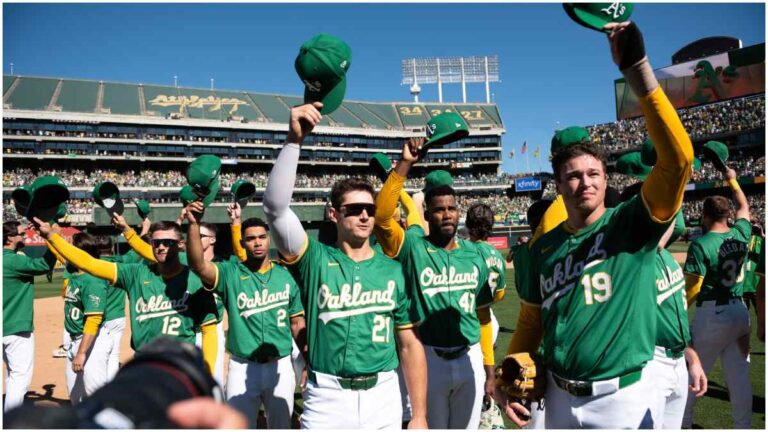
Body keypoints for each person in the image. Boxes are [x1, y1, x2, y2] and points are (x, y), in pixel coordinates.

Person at [500, 21, 694, 428]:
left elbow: (677, 163)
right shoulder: (542, 247)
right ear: (558, 184)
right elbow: (533, 321)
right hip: (555, 397)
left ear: (606, 179)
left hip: (621, 396)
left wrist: (639, 72)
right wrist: (505, 376)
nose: (583, 182)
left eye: (592, 173)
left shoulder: (631, 226)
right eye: (572, 175)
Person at [263, 101, 428, 429]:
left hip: (384, 394)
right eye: (353, 209)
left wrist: (420, 415)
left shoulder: (393, 270)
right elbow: (276, 209)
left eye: (369, 207)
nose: (365, 214)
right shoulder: (315, 259)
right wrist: (294, 141)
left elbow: (410, 345)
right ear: (333, 214)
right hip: (327, 397)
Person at [375, 151, 497, 428]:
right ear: (427, 214)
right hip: (428, 358)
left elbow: (483, 315)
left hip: (470, 355)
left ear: (459, 212)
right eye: (439, 209)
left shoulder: (474, 255)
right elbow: (382, 217)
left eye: (451, 208)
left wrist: (490, 371)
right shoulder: (412, 247)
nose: (447, 214)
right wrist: (405, 165)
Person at [35, 218, 220, 374]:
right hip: (143, 363)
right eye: (157, 243)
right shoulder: (135, 273)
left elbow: (209, 329)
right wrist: (52, 237)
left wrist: (208, 372)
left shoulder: (195, 280)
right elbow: (89, 263)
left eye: (168, 242)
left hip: (180, 364)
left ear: (180, 245)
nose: (162, 247)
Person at [185, 202, 306, 429]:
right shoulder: (230, 274)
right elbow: (199, 266)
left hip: (279, 365)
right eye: (251, 239)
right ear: (242, 243)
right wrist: (193, 224)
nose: (257, 242)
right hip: (242, 366)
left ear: (269, 239)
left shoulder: (285, 276)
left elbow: (297, 322)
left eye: (262, 237)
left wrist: (307, 361)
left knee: (281, 426)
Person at [682, 168, 753, 429]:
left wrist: (678, 313)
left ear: (705, 215)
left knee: (692, 373)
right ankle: (743, 426)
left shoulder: (702, 245)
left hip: (713, 314)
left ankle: (684, 422)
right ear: (728, 215)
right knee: (739, 378)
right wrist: (731, 177)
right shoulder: (742, 233)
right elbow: (744, 204)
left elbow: (692, 289)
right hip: (739, 311)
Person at [3, 221, 57, 412]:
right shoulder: (13, 260)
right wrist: (51, 238)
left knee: (12, 374)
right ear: (9, 238)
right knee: (20, 378)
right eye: (20, 233)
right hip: (16, 328)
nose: (24, 235)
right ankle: (11, 422)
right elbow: (44, 264)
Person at [62, 233, 112, 404]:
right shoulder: (75, 272)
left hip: (92, 342)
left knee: (97, 396)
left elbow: (94, 320)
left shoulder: (93, 280)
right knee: (75, 396)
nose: (67, 250)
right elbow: (57, 251)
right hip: (74, 340)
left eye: (71, 247)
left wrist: (82, 353)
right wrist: (46, 233)